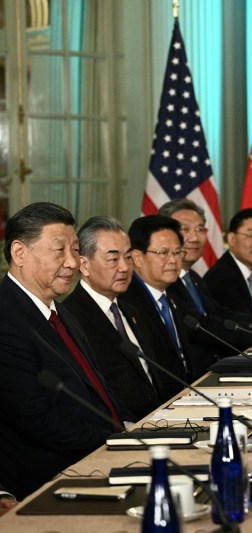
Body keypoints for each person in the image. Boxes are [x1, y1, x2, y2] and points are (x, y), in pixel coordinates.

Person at [0, 202, 124, 499]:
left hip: (96, 455)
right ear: (20, 253)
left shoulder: (59, 310)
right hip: (48, 478)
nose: (72, 262)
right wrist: (114, 440)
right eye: (60, 251)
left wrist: (131, 429)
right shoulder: (5, 318)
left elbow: (95, 388)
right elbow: (34, 417)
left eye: (76, 250)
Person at [157, 199, 252, 351]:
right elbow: (203, 325)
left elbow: (224, 315)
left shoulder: (194, 278)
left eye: (200, 229)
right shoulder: (170, 281)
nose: (194, 238)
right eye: (185, 229)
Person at [63, 216, 167, 420]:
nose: (124, 268)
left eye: (128, 258)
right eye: (113, 259)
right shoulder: (71, 318)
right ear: (83, 265)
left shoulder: (132, 310)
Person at [119, 215, 216, 396]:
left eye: (177, 252)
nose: (173, 260)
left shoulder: (173, 298)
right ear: (138, 257)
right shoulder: (127, 303)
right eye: (163, 253)